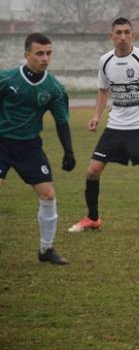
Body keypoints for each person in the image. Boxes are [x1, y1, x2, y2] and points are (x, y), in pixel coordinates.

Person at [68, 17, 139, 235]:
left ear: (133, 35)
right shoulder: (105, 61)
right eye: (118, 32)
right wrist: (96, 116)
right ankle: (93, 218)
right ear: (111, 36)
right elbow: (103, 90)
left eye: (127, 32)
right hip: (116, 127)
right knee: (93, 170)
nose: (123, 37)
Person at [0, 33, 75, 265]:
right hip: (2, 142)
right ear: (27, 55)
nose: (44, 58)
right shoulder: (6, 79)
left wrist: (69, 152)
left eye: (48, 53)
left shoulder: (54, 88)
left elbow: (62, 121)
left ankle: (46, 249)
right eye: (39, 53)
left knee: (48, 195)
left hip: (30, 146)